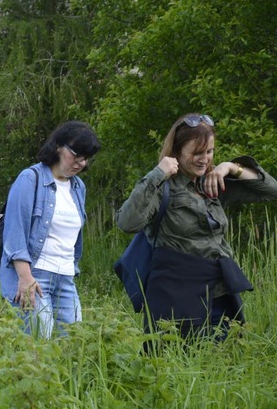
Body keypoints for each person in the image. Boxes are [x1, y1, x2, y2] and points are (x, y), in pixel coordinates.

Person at [116, 113, 277, 341]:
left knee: (223, 360)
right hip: (175, 295)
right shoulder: (162, 186)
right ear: (177, 152)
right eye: (196, 153)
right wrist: (157, 174)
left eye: (209, 152)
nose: (204, 159)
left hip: (219, 294)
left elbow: (271, 191)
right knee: (173, 361)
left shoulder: (211, 183)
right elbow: (127, 223)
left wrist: (231, 168)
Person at [0, 121, 101, 337]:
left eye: (86, 158)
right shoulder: (30, 179)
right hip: (34, 275)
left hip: (65, 277)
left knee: (72, 343)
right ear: (58, 147)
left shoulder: (78, 187)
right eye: (76, 155)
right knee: (37, 345)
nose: (81, 163)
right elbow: (14, 233)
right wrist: (25, 278)